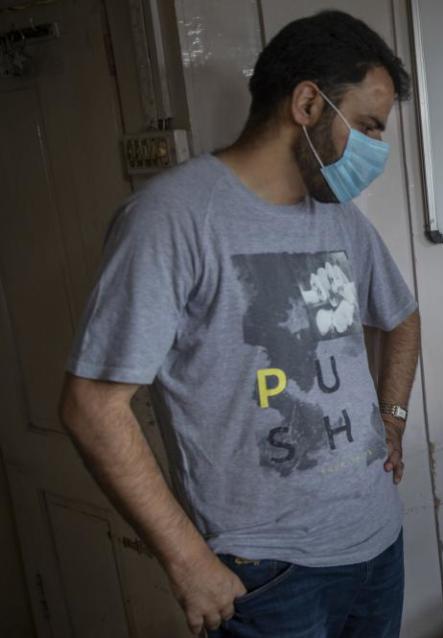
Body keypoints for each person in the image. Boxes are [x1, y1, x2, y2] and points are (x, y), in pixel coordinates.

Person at [58, 10, 419, 637]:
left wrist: (392, 418)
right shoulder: (172, 217)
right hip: (269, 573)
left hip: (377, 544)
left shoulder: (340, 219)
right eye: (366, 126)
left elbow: (403, 318)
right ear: (307, 103)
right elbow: (92, 405)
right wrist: (188, 559)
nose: (375, 151)